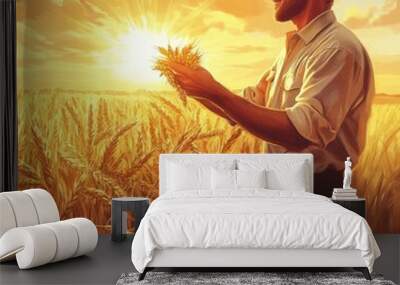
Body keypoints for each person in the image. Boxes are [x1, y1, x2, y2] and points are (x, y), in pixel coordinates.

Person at [167, 0, 375, 197]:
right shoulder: (299, 47)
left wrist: (213, 91)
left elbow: (299, 134)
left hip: (317, 189)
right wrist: (194, 86)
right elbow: (249, 106)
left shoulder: (336, 48)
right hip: (283, 186)